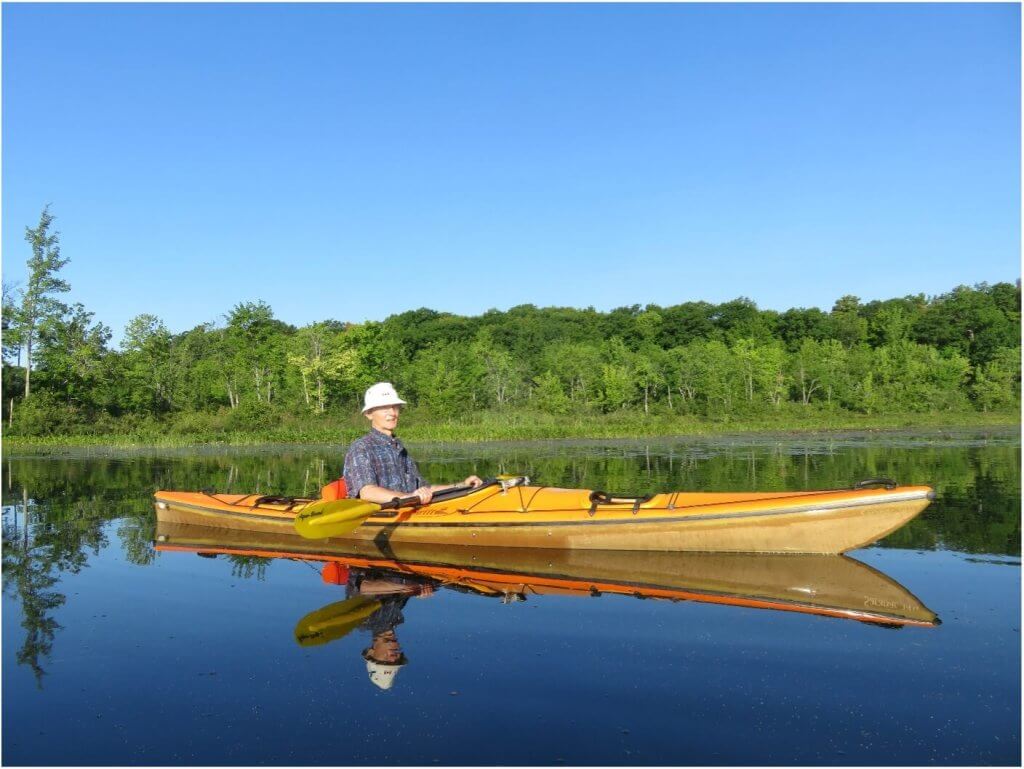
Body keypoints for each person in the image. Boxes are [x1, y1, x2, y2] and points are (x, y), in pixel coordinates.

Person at [343, 382, 482, 505]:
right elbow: (368, 492)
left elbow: (426, 489)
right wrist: (409, 497)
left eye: (395, 407)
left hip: (408, 507)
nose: (392, 412)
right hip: (383, 515)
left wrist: (461, 485)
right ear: (369, 413)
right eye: (384, 407)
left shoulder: (399, 448)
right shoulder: (360, 448)